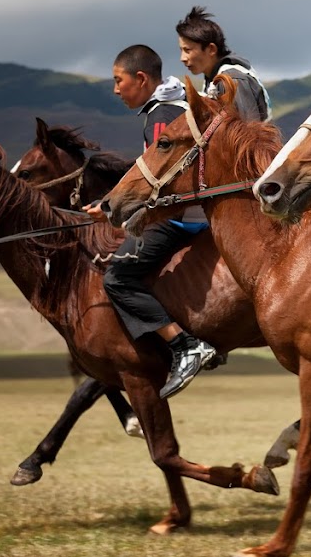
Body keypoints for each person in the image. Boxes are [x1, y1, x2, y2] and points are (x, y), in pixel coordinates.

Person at [84, 44, 220, 398]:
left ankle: (183, 346)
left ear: (141, 79)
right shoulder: (173, 105)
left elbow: (164, 176)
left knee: (117, 277)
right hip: (192, 214)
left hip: (180, 218)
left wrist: (120, 211)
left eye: (119, 80)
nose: (115, 89)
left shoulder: (161, 116)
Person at [175, 7, 270, 123]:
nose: (182, 58)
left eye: (187, 50)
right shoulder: (213, 80)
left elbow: (249, 132)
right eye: (181, 50)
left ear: (211, 49)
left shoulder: (231, 79)